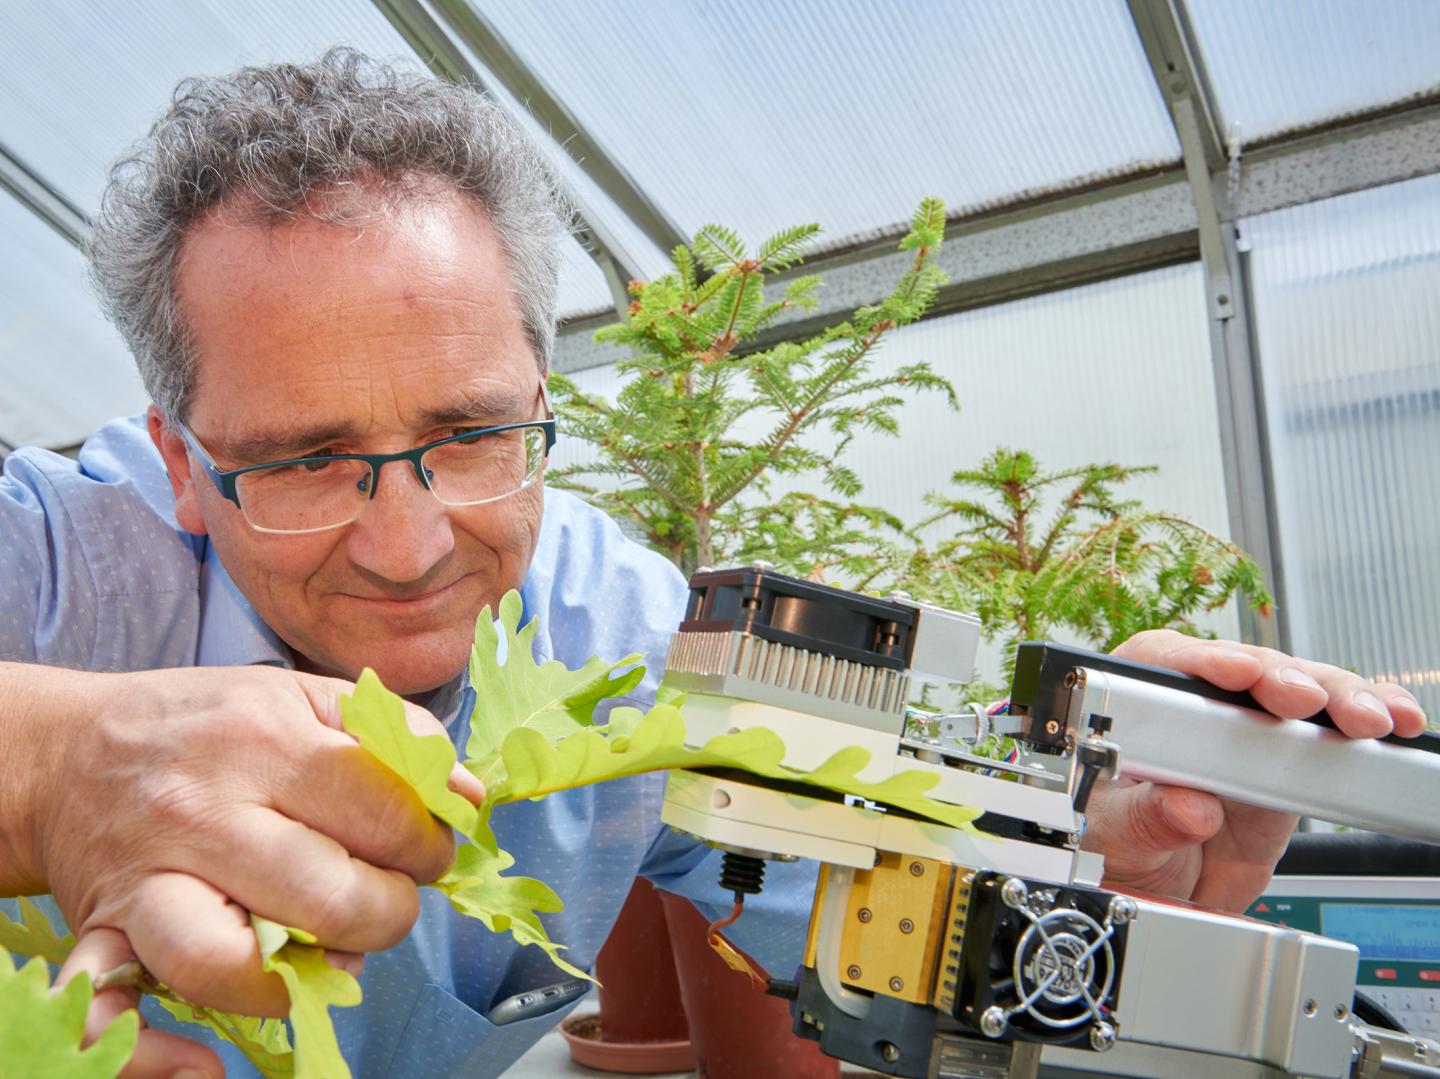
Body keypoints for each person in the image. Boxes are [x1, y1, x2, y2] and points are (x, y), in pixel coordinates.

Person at [0, 50, 1426, 1079]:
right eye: (306, 461)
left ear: (540, 395)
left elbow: (865, 883)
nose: (412, 543)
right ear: (180, 462)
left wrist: (1087, 838)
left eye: (474, 433)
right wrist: (58, 766)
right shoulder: (55, 568)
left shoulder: (619, 625)